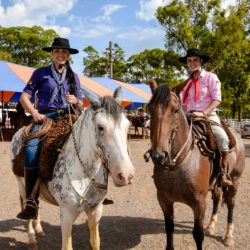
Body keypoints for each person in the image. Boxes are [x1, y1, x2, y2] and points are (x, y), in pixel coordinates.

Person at [16, 37, 83, 220]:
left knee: (93, 139)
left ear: (68, 55)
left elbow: (81, 100)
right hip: (46, 118)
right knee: (31, 148)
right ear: (52, 53)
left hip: (69, 116)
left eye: (64, 52)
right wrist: (35, 113)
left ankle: (96, 191)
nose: (61, 54)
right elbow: (24, 97)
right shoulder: (40, 73)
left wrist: (76, 100)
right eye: (57, 51)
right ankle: (31, 200)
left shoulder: (73, 76)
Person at [175, 48, 232, 187]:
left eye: (195, 60)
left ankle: (223, 172)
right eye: (189, 61)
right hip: (188, 116)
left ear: (201, 61)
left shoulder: (211, 77)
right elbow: (183, 103)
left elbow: (217, 99)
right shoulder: (186, 82)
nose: (192, 63)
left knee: (223, 138)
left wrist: (204, 113)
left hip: (208, 115)